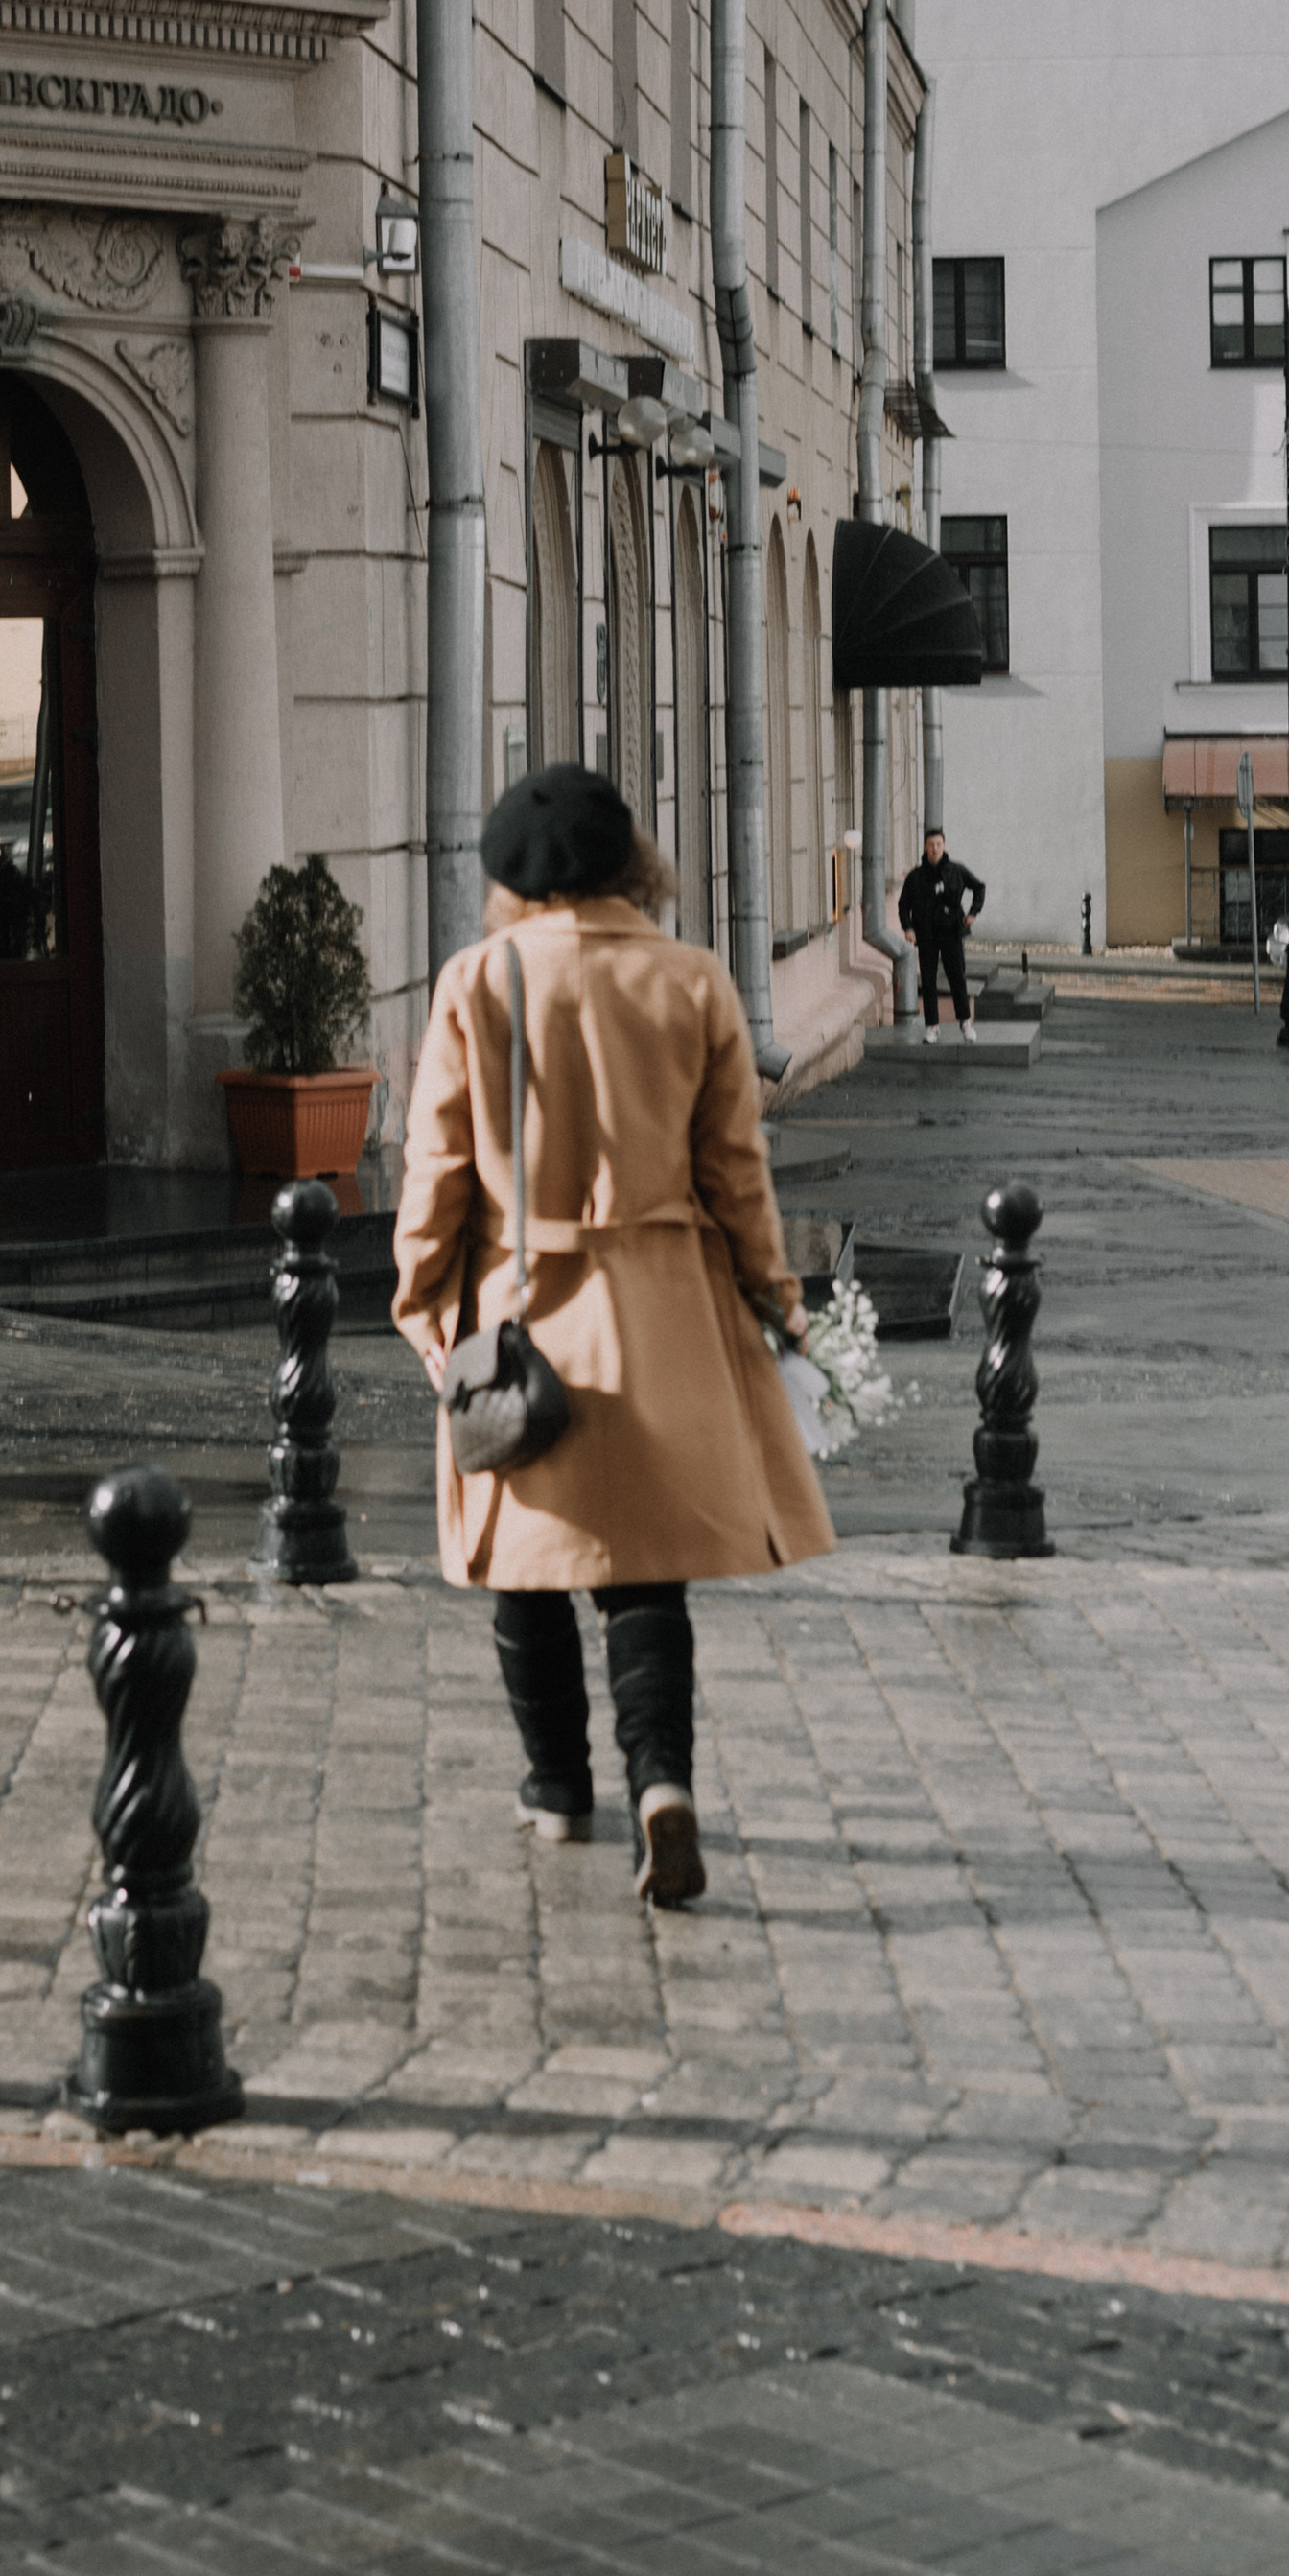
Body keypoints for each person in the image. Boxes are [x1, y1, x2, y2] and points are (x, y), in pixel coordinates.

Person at [392, 764, 834, 1906]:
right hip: (662, 1313)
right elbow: (738, 1176)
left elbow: (435, 1174)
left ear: (506, 882)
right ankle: (662, 1788)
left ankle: (553, 1790)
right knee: (646, 1580)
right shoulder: (691, 982)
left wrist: (424, 1304)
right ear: (634, 864)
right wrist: (776, 1302)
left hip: (519, 1308)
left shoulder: (475, 985)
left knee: (526, 1569)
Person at [897, 828, 986, 1043]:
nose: (935, 848)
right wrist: (908, 928)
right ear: (925, 847)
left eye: (938, 844)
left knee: (957, 978)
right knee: (928, 981)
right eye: (931, 844)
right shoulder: (916, 876)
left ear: (944, 846)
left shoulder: (956, 870)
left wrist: (973, 913)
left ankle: (965, 1023)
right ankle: (932, 1027)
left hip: (951, 932)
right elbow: (903, 905)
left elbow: (979, 888)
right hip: (926, 934)